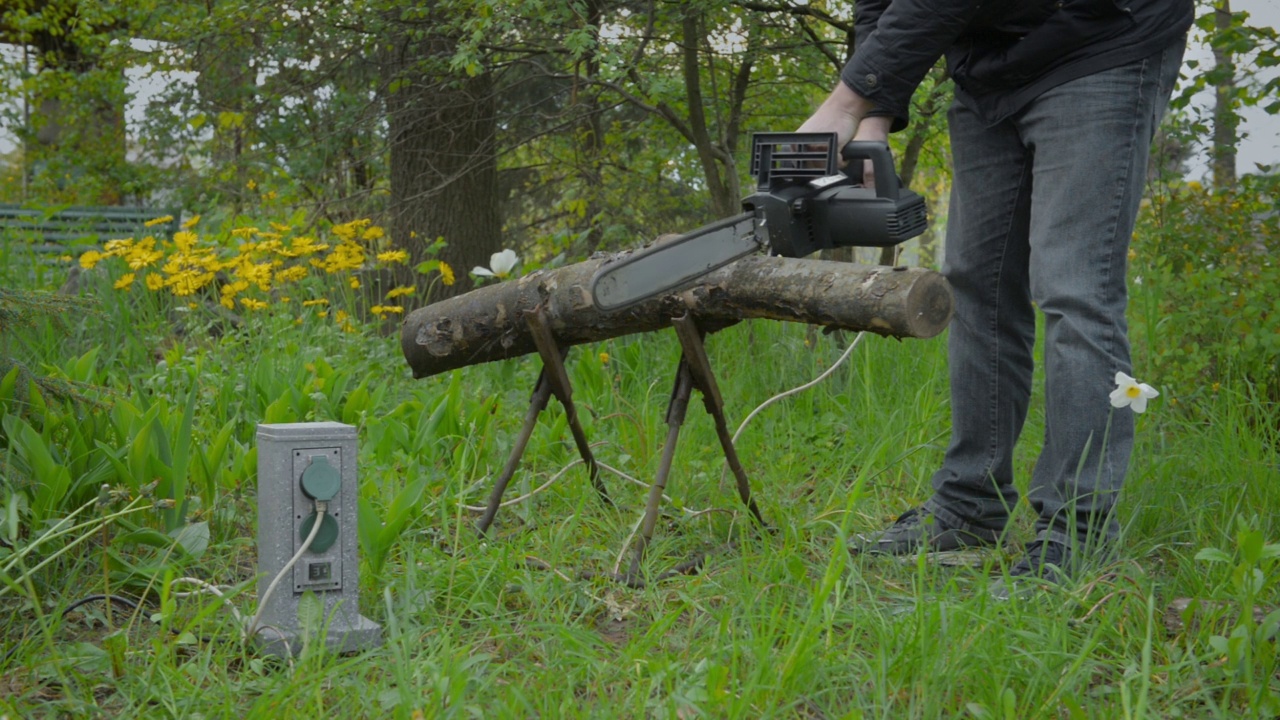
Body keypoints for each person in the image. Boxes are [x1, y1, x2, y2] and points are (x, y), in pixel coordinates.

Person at [798, 0, 1193, 596]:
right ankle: (970, 507)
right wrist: (875, 114)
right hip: (992, 69)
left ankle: (1077, 533)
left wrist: (847, 101)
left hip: (1101, 38)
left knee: (1074, 287)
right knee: (974, 283)